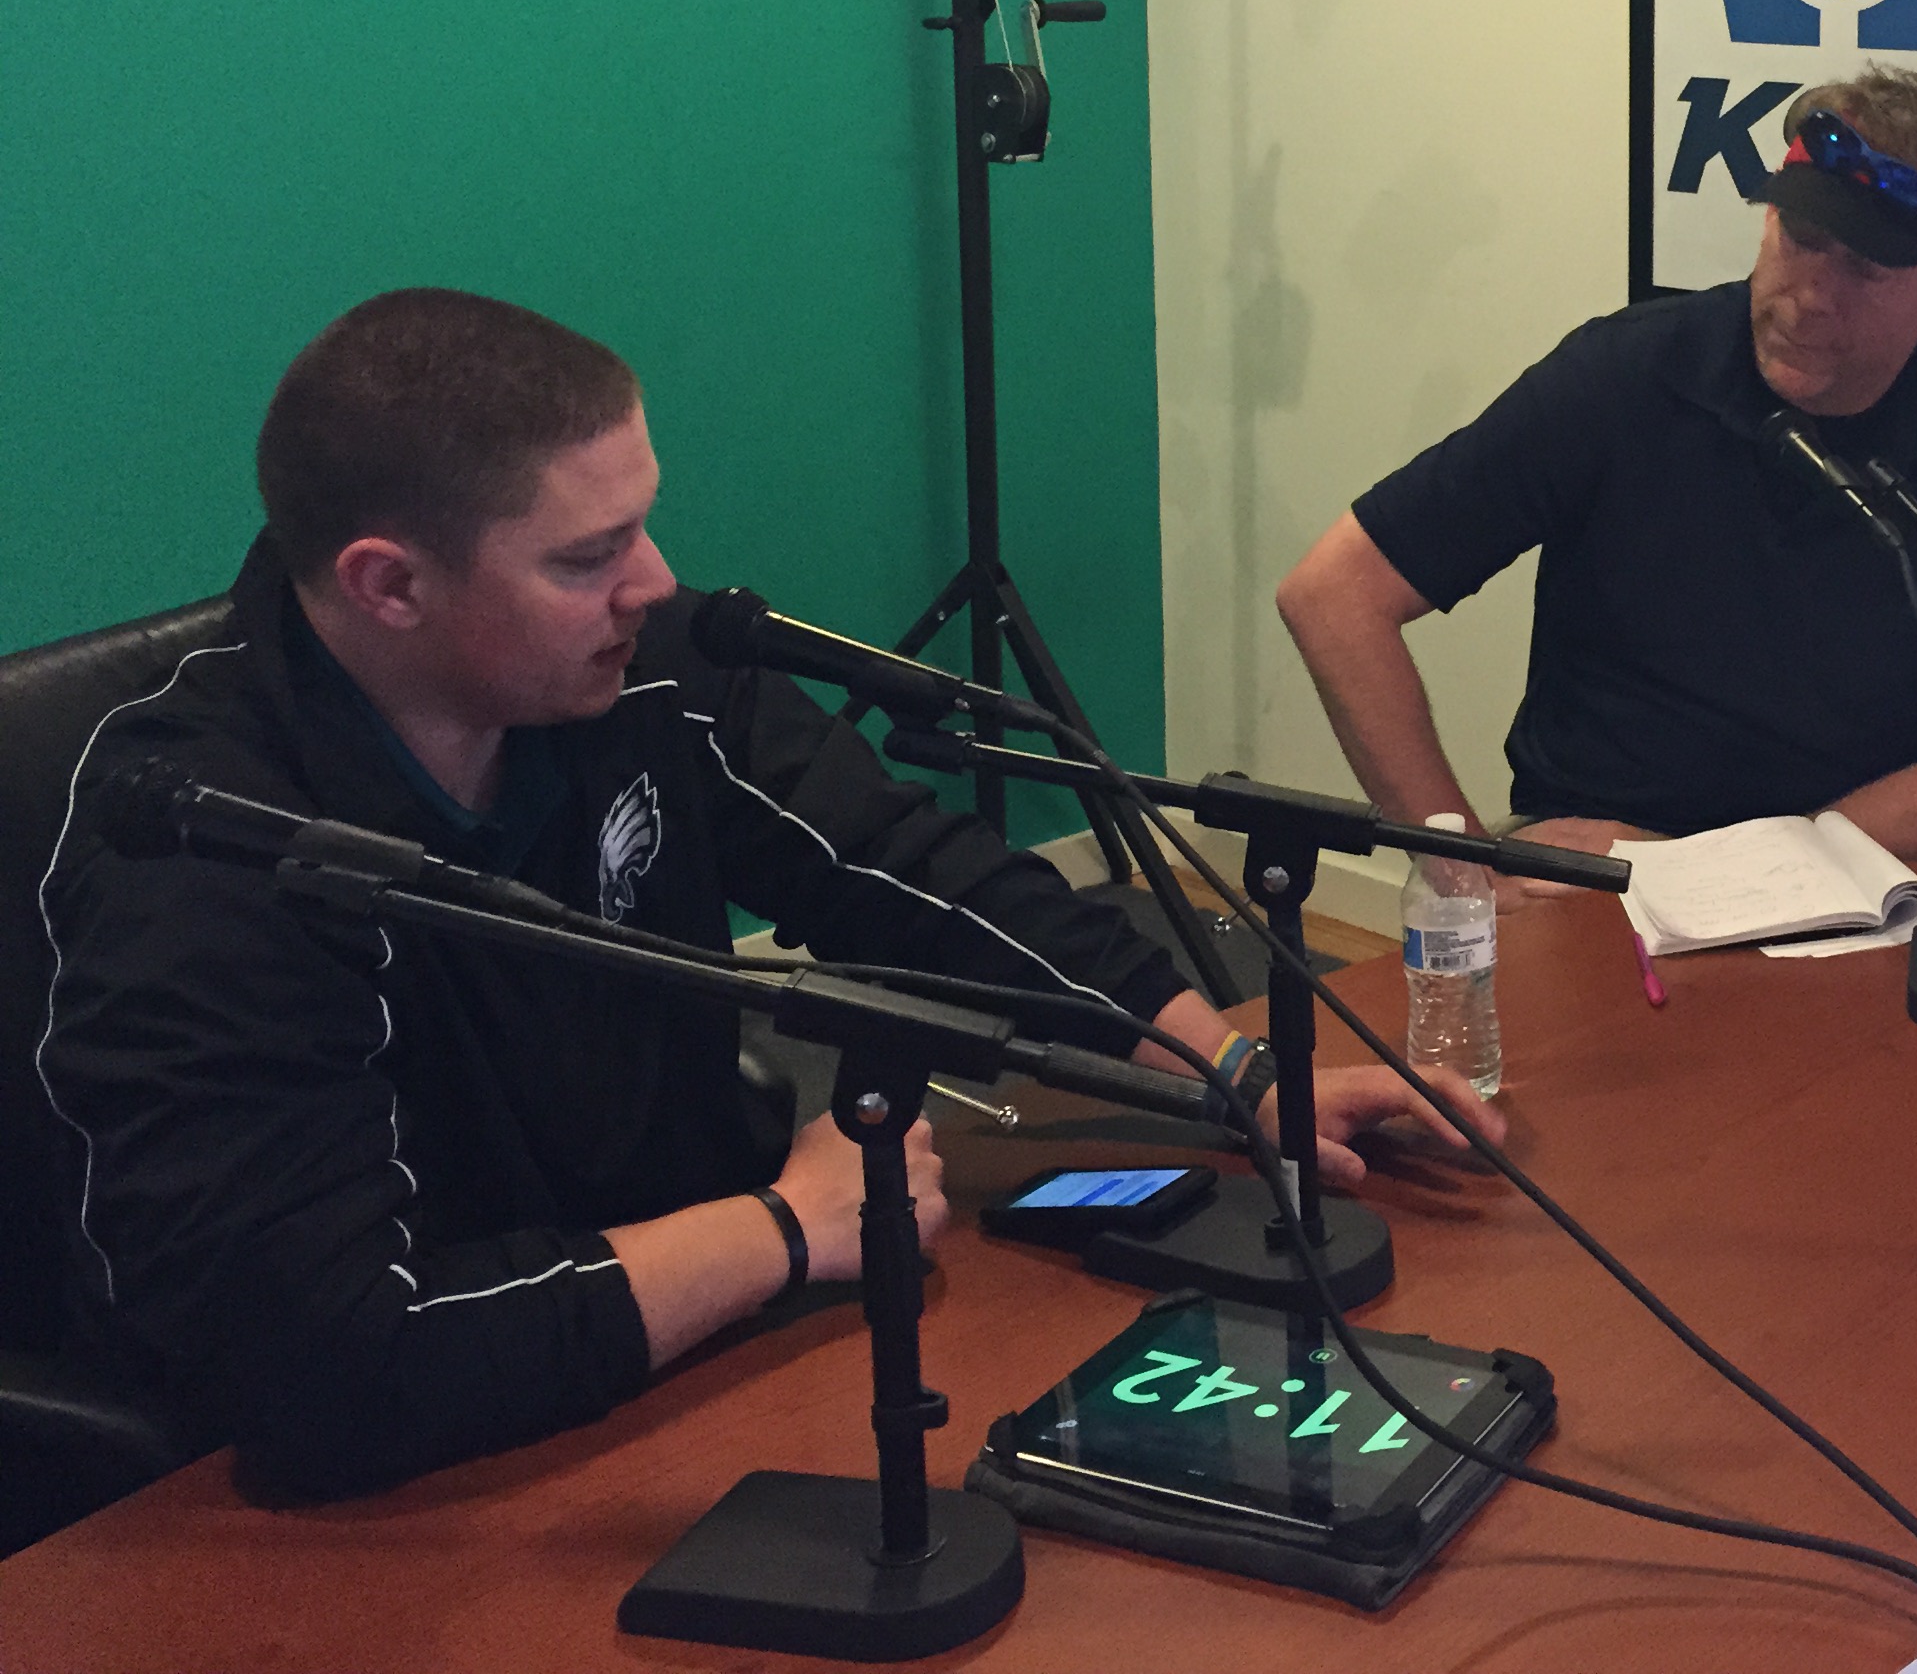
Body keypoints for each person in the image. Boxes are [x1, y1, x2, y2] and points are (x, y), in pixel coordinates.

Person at [34, 290, 1498, 1500]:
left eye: (643, 524)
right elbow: (327, 1367)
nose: (653, 582)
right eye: (587, 557)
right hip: (412, 1491)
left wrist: (1234, 1073)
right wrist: (790, 1227)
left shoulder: (635, 673)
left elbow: (911, 874)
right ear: (389, 585)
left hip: (685, 1352)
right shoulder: (199, 848)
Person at [1277, 67, 1917, 867]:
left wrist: (1729, 867)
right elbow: (1334, 595)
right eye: (1801, 238)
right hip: (1605, 840)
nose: (1811, 297)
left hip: (1858, 851)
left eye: (1864, 269)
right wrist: (1460, 869)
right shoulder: (1625, 376)